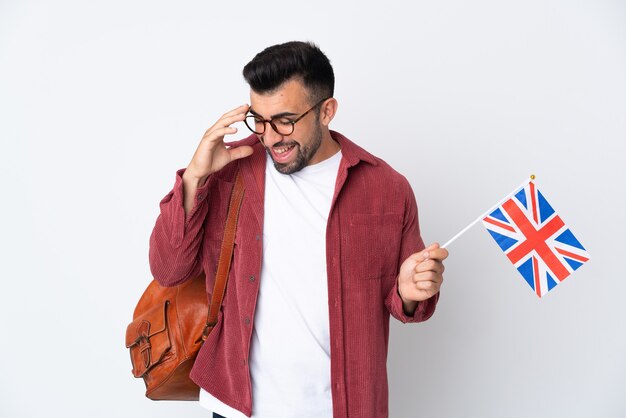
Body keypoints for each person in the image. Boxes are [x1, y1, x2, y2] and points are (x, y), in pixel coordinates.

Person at [149, 41, 448, 418]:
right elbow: (169, 269)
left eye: (285, 120)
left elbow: (409, 305)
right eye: (259, 120)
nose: (270, 136)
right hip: (237, 408)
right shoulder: (229, 170)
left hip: (342, 407)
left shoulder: (387, 188)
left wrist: (407, 292)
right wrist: (194, 177)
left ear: (327, 111)